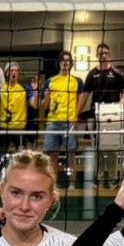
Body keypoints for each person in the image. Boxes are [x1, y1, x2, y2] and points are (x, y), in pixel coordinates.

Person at [42, 51, 86, 181]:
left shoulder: (77, 81)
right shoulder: (50, 81)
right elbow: (43, 106)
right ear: (59, 63)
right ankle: (53, 185)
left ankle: (72, 185)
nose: (65, 62)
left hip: (69, 123)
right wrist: (47, 96)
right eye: (63, 60)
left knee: (71, 155)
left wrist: (76, 117)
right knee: (52, 157)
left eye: (68, 60)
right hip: (53, 122)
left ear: (71, 63)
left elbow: (81, 101)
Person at [0, 63, 35, 153]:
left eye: (16, 71)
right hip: (4, 128)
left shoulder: (25, 88)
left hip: (19, 128)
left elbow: (34, 105)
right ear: (6, 73)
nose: (14, 73)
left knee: (21, 156)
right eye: (11, 71)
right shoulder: (0, 88)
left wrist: (35, 91)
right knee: (1, 155)